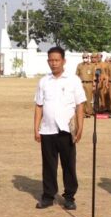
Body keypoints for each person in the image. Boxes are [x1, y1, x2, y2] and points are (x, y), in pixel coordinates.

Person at [35, 47, 87, 208]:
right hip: (47, 130)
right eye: (51, 60)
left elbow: (80, 106)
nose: (54, 63)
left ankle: (70, 197)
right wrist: (36, 128)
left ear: (64, 61)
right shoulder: (44, 81)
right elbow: (39, 106)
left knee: (68, 164)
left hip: (66, 130)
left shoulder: (73, 80)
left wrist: (80, 128)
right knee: (49, 165)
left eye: (57, 60)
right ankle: (48, 195)